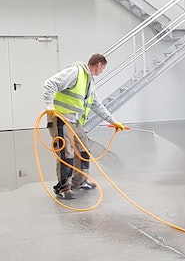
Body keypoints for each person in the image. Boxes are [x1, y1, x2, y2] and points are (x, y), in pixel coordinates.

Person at [42, 53, 125, 199]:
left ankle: (79, 181)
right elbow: (50, 83)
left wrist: (113, 121)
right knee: (66, 152)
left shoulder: (89, 82)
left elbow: (96, 105)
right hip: (60, 118)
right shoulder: (75, 72)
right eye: (103, 68)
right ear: (99, 64)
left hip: (74, 121)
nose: (102, 72)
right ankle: (63, 188)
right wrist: (49, 105)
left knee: (84, 148)